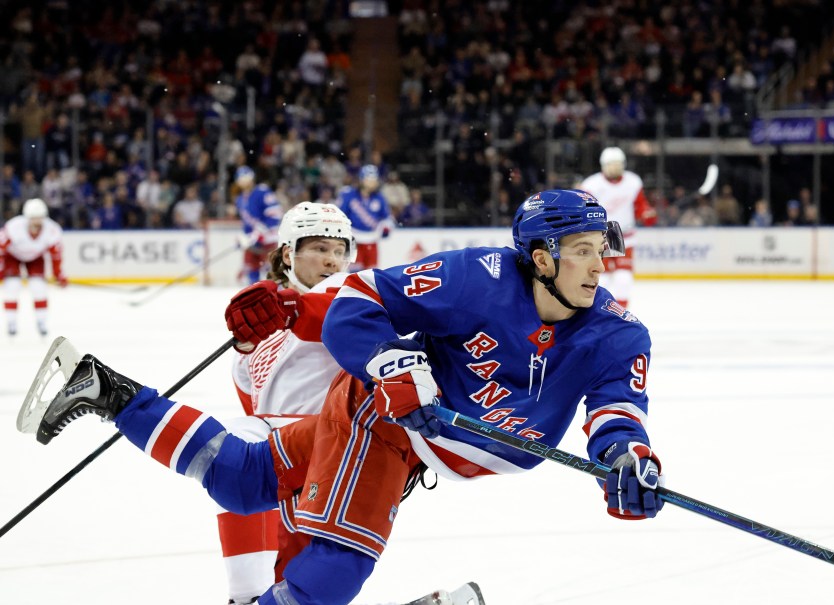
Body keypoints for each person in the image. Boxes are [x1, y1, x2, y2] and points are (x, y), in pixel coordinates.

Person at [37, 189, 662, 604]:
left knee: (244, 477)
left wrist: (629, 463)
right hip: (382, 421)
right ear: (540, 258)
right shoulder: (479, 275)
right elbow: (362, 300)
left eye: (600, 252)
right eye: (581, 252)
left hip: (418, 446)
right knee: (336, 567)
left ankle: (107, 390)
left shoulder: (618, 333)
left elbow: (617, 416)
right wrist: (387, 359)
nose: (598, 266)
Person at [218, 201, 356, 604]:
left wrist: (288, 309)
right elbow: (249, 400)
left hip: (336, 451)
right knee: (285, 567)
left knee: (310, 569)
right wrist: (246, 342)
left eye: (338, 250)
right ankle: (245, 596)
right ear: (287, 253)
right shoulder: (260, 322)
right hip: (282, 455)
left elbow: (337, 315)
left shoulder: (351, 295)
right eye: (319, 248)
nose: (332, 260)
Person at [579, 146, 657, 307]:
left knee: (623, 279)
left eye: (617, 164)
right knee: (603, 278)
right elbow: (583, 211)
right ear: (603, 165)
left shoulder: (633, 182)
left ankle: (620, 314)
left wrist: (646, 213)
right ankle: (601, 310)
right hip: (601, 236)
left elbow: (640, 206)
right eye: (611, 164)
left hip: (625, 236)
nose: (614, 168)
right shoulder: (591, 185)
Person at [1, 198, 67, 336]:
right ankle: (11, 322)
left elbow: (56, 255)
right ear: (27, 218)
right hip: (13, 257)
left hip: (36, 258)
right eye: (33, 218)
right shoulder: (13, 227)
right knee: (12, 287)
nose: (37, 222)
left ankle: (41, 321)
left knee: (39, 289)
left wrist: (58, 274)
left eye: (40, 218)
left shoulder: (53, 230)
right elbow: (1, 250)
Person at [335, 164, 393, 271]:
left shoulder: (379, 197)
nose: (373, 182)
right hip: (354, 240)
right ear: (362, 179)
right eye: (370, 179)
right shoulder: (349, 194)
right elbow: (339, 214)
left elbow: (387, 218)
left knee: (371, 275)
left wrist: (386, 227)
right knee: (355, 275)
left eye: (375, 179)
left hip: (372, 240)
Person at [235, 166, 283, 284]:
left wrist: (264, 230)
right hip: (253, 241)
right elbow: (246, 223)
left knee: (272, 271)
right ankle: (254, 295)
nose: (244, 181)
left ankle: (275, 296)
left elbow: (275, 213)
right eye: (241, 178)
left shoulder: (262, 191)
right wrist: (244, 237)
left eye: (246, 178)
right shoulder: (240, 199)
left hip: (269, 239)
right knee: (252, 268)